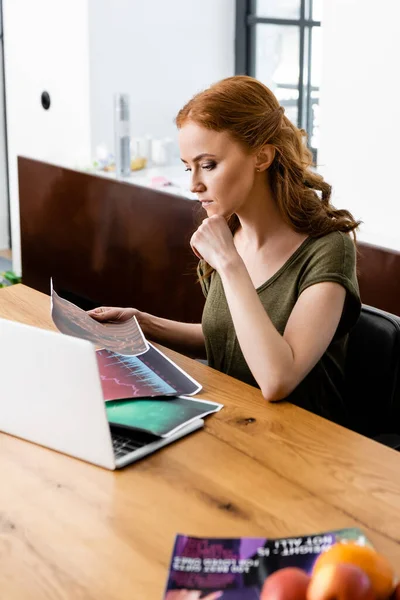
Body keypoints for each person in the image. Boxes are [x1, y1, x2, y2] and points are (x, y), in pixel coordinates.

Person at [88, 75, 361, 426]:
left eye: (209, 165)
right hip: (231, 423)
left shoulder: (328, 250)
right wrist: (144, 323)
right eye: (189, 167)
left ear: (261, 157)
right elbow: (228, 336)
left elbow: (277, 379)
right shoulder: (229, 231)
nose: (193, 185)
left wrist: (230, 264)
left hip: (301, 446)